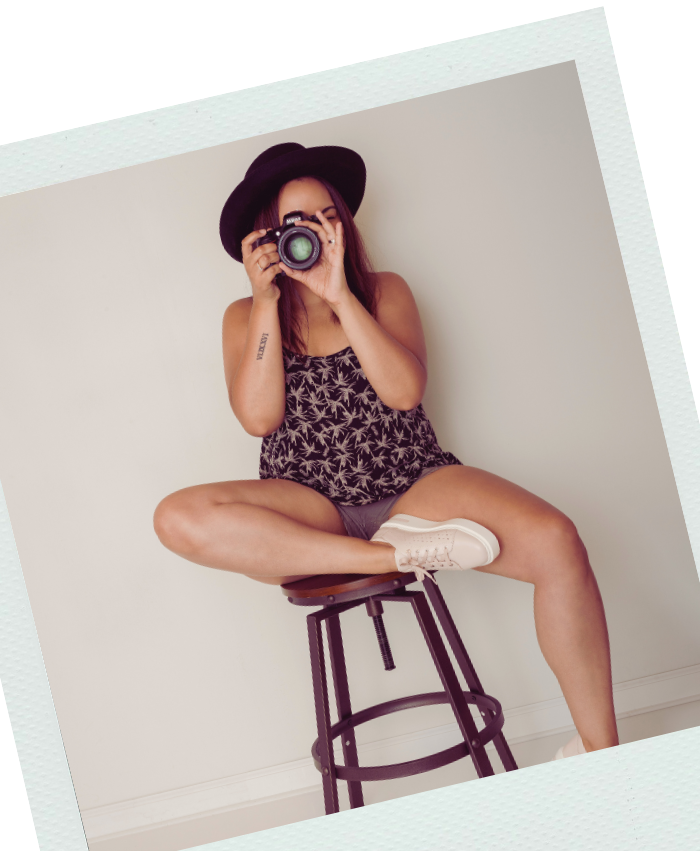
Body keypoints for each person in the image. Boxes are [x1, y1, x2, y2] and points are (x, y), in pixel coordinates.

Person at [153, 143, 619, 760]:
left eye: (325, 216)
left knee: (559, 540)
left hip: (414, 485)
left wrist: (340, 295)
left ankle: (603, 752)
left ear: (343, 222)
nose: (313, 234)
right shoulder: (245, 316)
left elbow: (403, 394)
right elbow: (258, 417)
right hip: (309, 504)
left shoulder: (384, 291)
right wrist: (268, 302)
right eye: (295, 224)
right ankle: (381, 557)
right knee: (175, 517)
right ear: (265, 237)